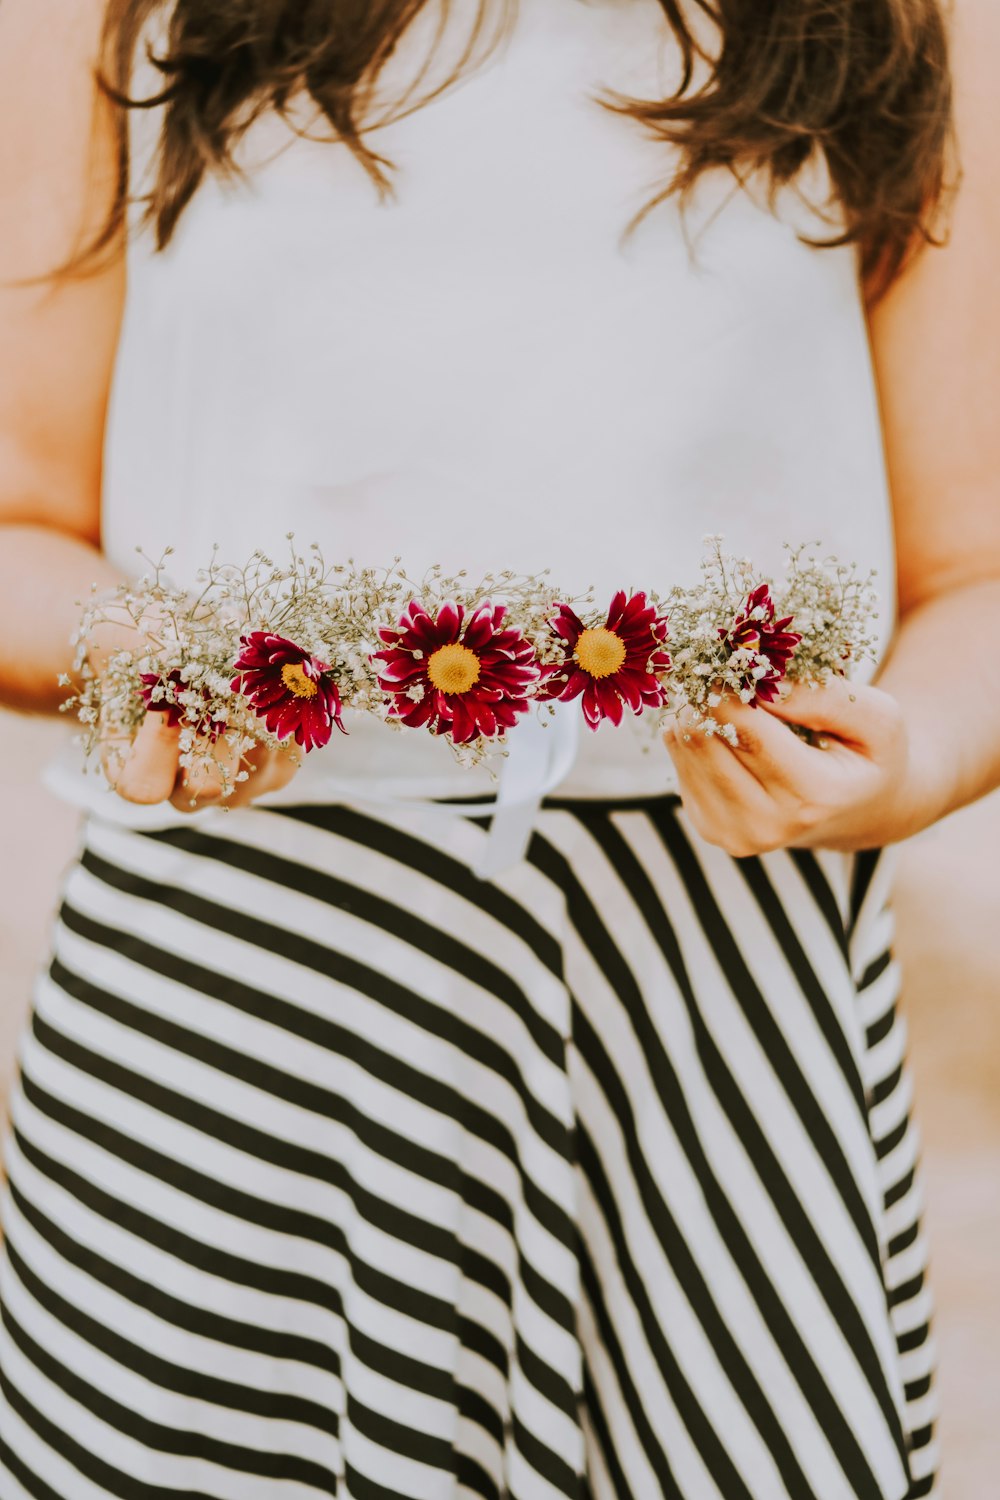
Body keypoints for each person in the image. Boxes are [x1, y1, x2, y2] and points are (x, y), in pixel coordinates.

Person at [0, 0, 995, 1495]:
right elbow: (19, 517)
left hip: (717, 987)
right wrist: (163, 663)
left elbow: (975, 571)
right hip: (244, 976)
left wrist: (907, 764)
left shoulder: (910, 20)